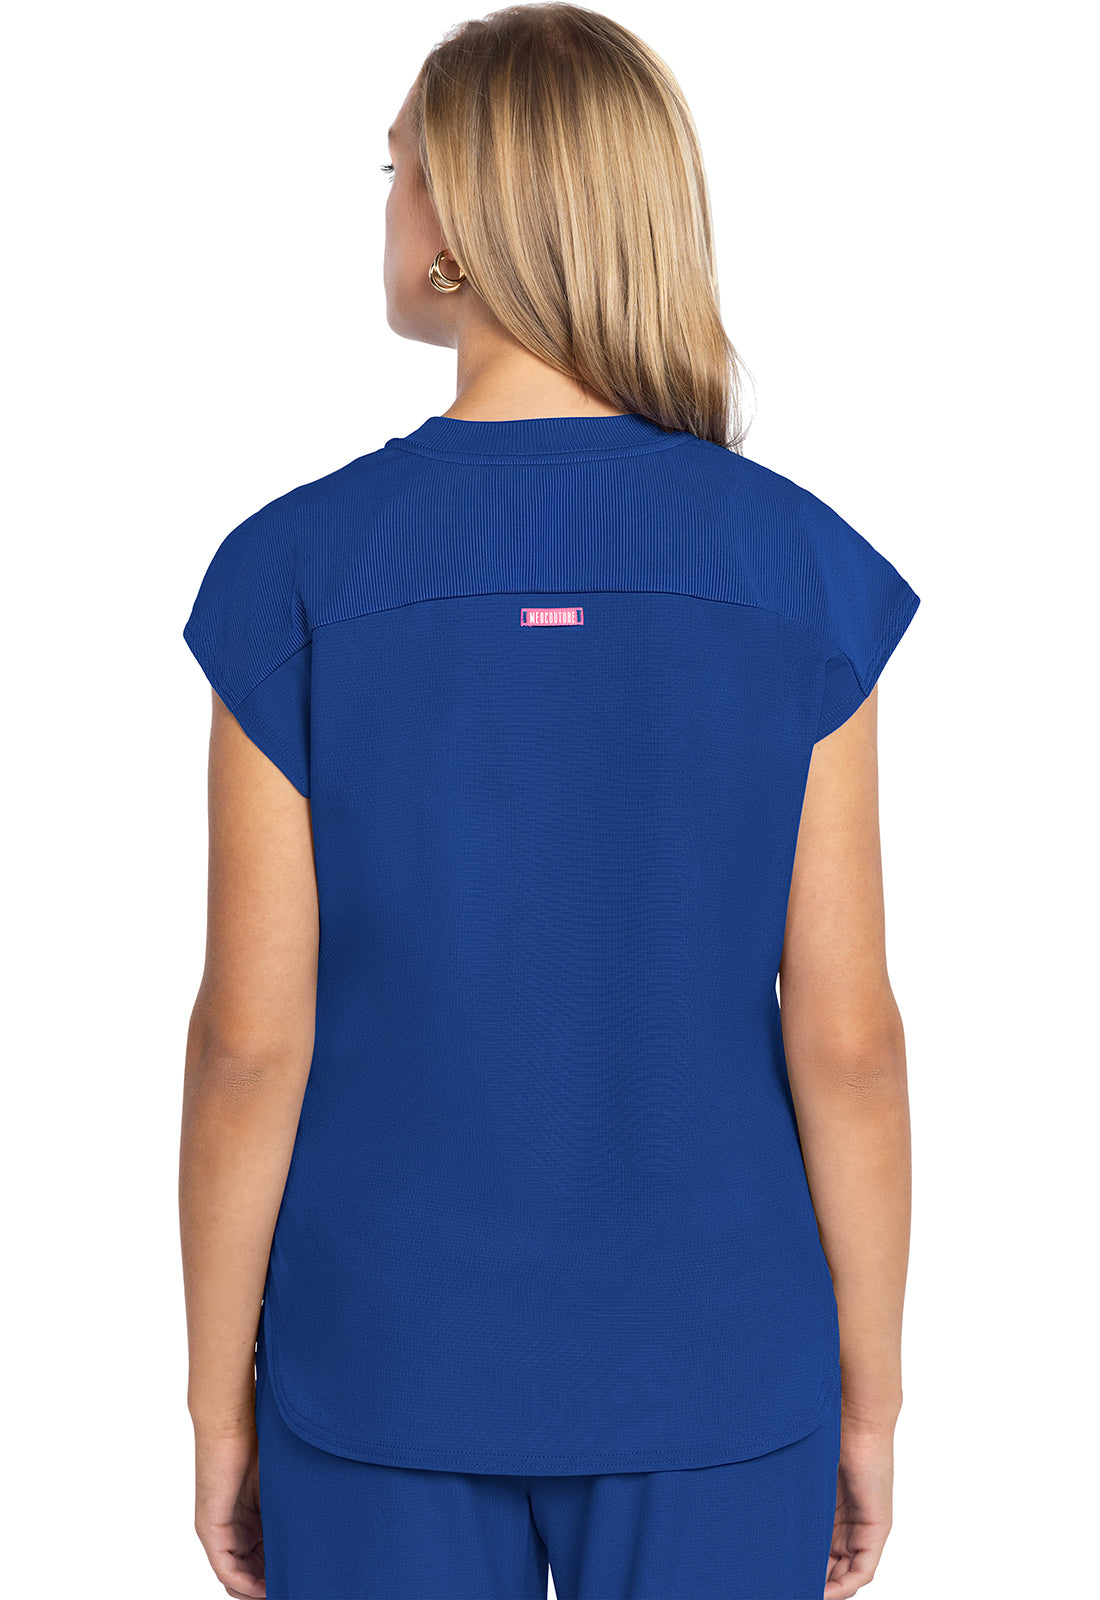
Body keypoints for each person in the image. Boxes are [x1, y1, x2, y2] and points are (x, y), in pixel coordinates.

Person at [179, 6, 920, 1598]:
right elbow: (848, 1037)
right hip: (722, 1369)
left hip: (380, 1368)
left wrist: (214, 1404)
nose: (387, 206)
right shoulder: (793, 568)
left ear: (462, 221)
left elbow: (249, 1041)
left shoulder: (295, 574)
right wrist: (870, 1397)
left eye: (397, 171)